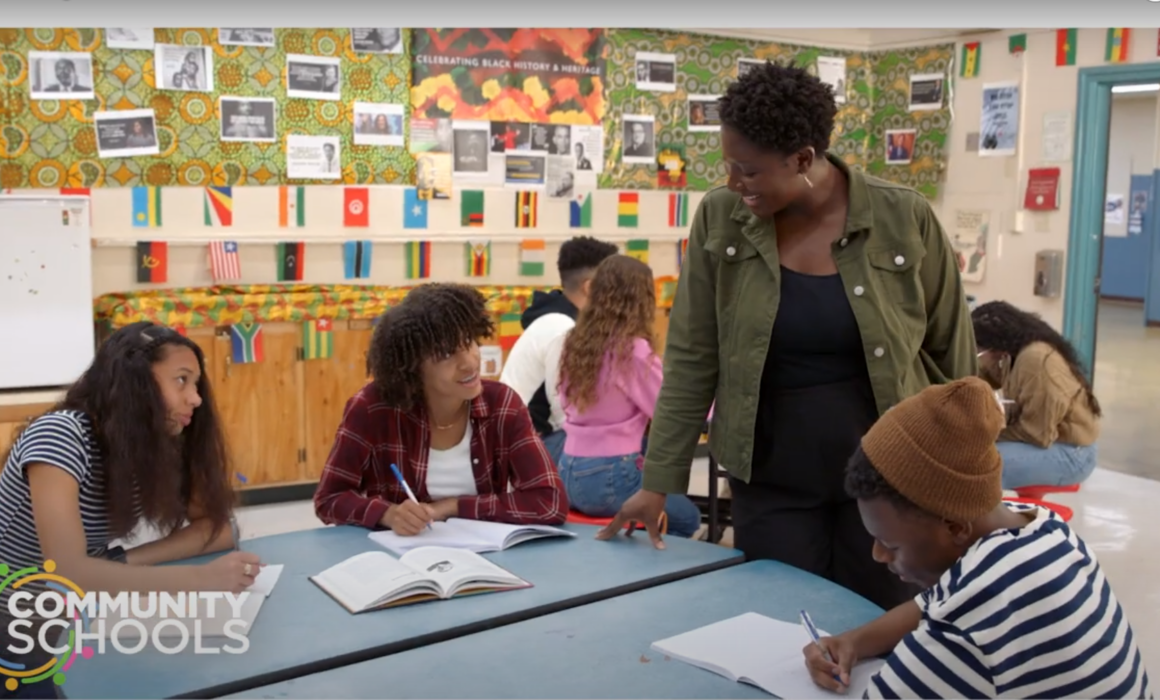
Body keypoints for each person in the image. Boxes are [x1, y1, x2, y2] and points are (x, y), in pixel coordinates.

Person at [598, 61, 975, 610]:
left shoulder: (903, 217)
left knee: (877, 622)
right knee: (778, 624)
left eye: (748, 170)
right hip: (770, 476)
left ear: (803, 159)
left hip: (889, 478)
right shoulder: (722, 218)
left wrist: (965, 478)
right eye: (729, 166)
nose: (733, 182)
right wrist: (659, 480)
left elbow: (953, 360)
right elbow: (692, 355)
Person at [804, 377, 1151, 699]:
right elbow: (937, 602)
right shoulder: (1044, 531)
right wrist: (854, 640)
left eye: (891, 545)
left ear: (955, 527)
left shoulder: (961, 634)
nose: (878, 555)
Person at [0, 322, 258, 699]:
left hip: (73, 614)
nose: (196, 398)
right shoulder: (59, 435)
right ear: (134, 384)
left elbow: (219, 530)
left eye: (196, 384)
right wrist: (201, 580)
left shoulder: (151, 443)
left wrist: (121, 561)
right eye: (182, 381)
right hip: (17, 623)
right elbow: (66, 571)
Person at [314, 284, 568, 535]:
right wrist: (386, 514)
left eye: (469, 342)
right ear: (412, 365)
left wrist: (453, 507)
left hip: (482, 560)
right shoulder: (372, 407)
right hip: (398, 561)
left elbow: (550, 502)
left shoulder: (501, 405)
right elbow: (330, 498)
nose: (469, 363)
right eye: (447, 354)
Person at [557, 255, 703, 539]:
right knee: (687, 518)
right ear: (641, 299)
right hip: (610, 475)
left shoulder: (573, 342)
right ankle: (645, 577)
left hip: (568, 470)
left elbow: (565, 401)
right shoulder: (632, 350)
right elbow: (669, 406)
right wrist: (712, 405)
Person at [501, 236, 618, 466]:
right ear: (590, 287)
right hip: (531, 445)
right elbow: (567, 417)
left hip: (542, 437)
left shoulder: (566, 321)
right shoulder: (562, 329)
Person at [971, 301, 1100, 490]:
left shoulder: (1035, 360)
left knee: (979, 466)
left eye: (978, 349)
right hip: (1049, 441)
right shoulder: (1011, 353)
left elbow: (1036, 433)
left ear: (994, 347)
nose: (978, 354)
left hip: (1072, 453)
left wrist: (985, 435)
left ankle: (990, 518)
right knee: (968, 453)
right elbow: (985, 375)